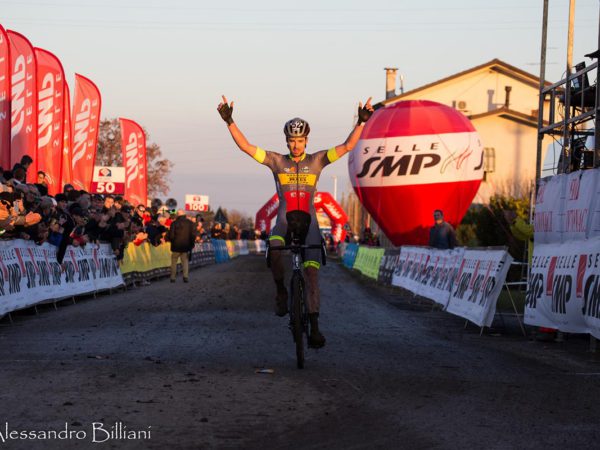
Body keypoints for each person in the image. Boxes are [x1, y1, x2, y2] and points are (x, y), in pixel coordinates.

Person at [217, 94, 373, 348]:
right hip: (284, 220)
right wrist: (229, 121)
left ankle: (315, 327)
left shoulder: (317, 160)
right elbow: (246, 147)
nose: (296, 145)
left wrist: (361, 122)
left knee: (311, 275)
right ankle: (281, 289)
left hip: (309, 223)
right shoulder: (277, 161)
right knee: (275, 248)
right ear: (287, 141)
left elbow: (347, 146)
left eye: (300, 141)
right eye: (292, 141)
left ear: (306, 141)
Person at [168, 209, 196, 283]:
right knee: (185, 261)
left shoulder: (174, 223)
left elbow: (171, 235)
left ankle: (173, 277)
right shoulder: (190, 223)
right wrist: (192, 244)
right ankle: (185, 276)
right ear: (184, 214)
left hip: (176, 246)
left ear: (178, 214)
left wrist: (172, 241)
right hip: (186, 246)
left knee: (174, 262)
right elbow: (193, 235)